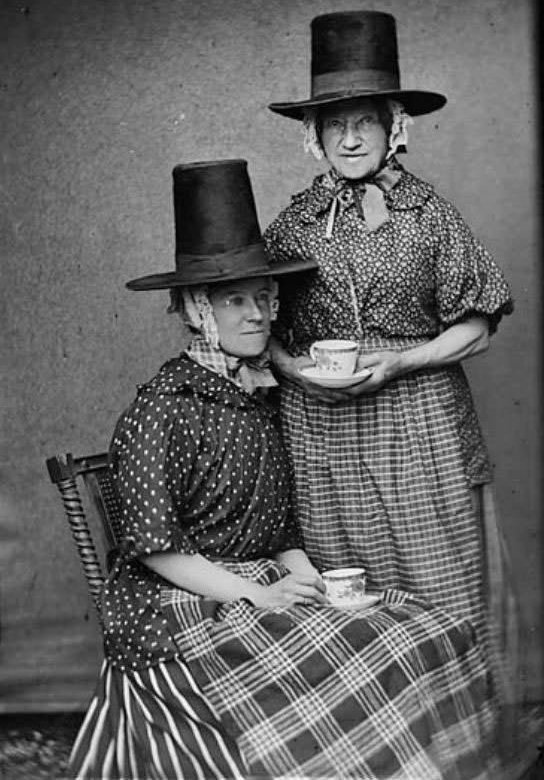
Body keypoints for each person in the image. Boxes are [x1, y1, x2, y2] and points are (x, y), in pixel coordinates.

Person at [69, 159, 501, 780]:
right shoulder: (160, 411)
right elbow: (158, 554)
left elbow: (283, 535)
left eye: (265, 299)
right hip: (181, 603)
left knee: (413, 627)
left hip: (262, 584)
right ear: (197, 309)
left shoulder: (261, 399)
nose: (259, 316)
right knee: (361, 660)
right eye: (236, 301)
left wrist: (315, 589)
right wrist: (260, 595)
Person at [263, 11, 519, 719]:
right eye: (334, 122)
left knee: (443, 584)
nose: (349, 137)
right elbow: (259, 331)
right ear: (313, 134)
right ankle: (376, 750)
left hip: (419, 424)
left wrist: (398, 363)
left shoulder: (428, 214)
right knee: (349, 590)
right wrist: (295, 372)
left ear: (393, 126)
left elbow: (479, 324)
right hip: (321, 431)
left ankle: (463, 737)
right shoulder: (290, 227)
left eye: (364, 121)